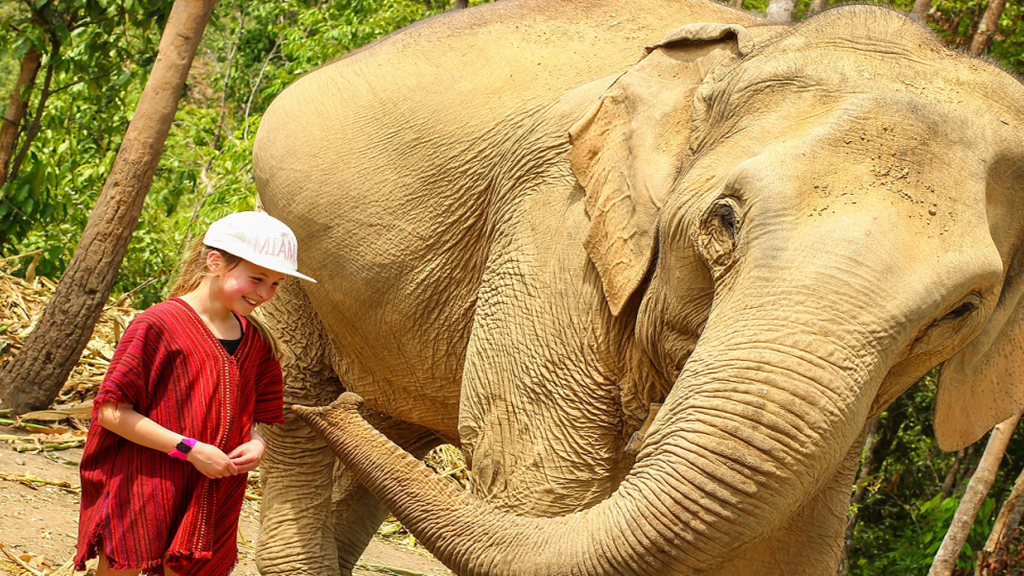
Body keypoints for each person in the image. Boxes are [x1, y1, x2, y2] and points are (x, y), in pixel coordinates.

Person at [74, 211, 317, 576]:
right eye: (256, 278)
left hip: (213, 487)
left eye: (276, 283)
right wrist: (189, 449)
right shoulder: (157, 324)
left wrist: (256, 443)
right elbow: (111, 413)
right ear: (215, 262)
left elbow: (254, 417)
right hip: (147, 480)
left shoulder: (258, 342)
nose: (265, 293)